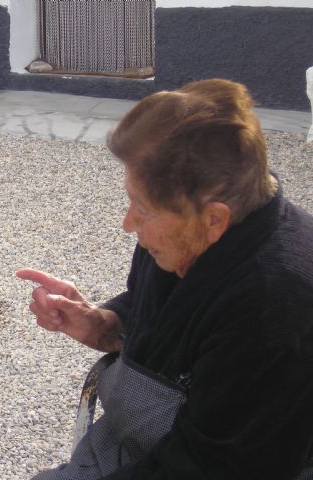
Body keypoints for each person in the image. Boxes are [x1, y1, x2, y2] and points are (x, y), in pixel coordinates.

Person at [17, 79, 313, 479]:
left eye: (142, 209)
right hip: (135, 450)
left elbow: (208, 468)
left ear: (214, 218)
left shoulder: (272, 309)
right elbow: (152, 310)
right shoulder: (188, 234)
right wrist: (103, 324)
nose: (128, 223)